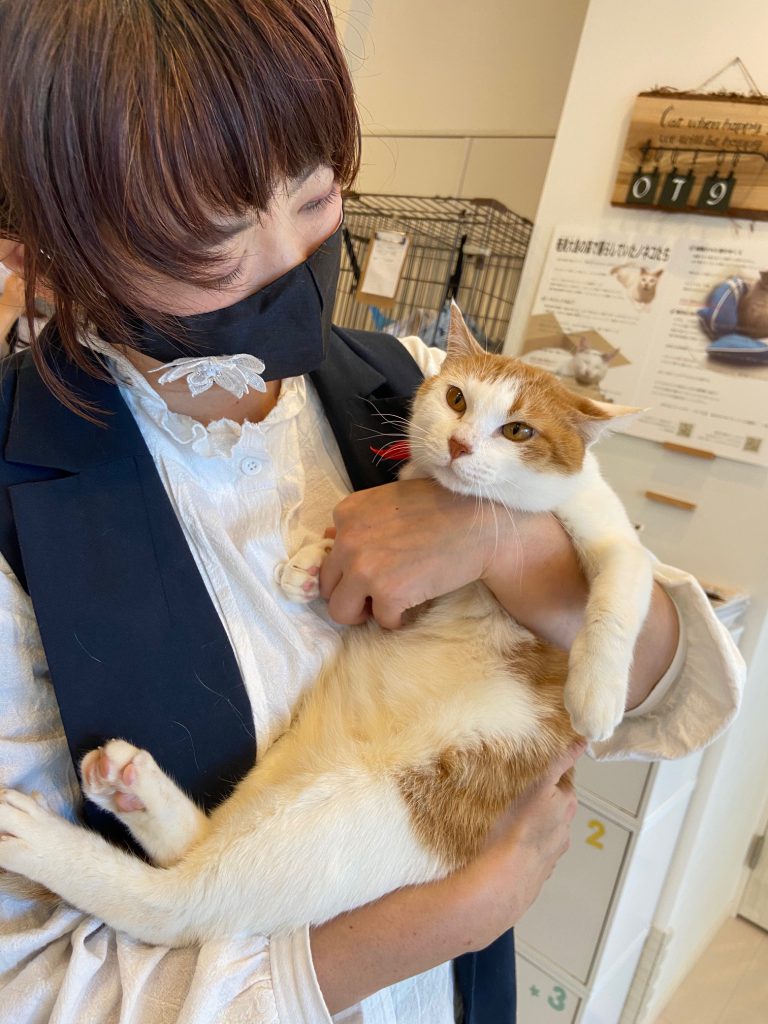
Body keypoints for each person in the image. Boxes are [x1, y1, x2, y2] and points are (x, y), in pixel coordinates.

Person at [0, 2, 743, 1022]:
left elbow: (666, 691)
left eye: (314, 194)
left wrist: (510, 544)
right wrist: (433, 924)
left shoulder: (418, 385)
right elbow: (31, 984)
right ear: (52, 236)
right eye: (211, 232)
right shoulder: (20, 501)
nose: (282, 258)